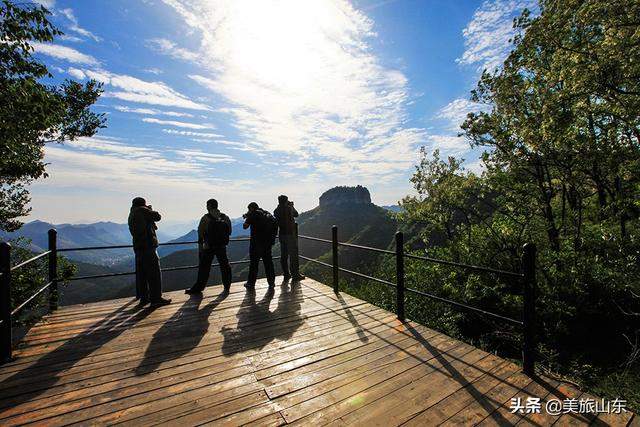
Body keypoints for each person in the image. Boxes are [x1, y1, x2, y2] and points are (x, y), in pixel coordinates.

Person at [128, 197, 171, 307]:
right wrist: (149, 209)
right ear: (143, 204)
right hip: (148, 247)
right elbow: (158, 217)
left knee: (142, 275)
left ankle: (144, 298)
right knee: (154, 274)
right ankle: (156, 298)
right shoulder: (142, 210)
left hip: (138, 248)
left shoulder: (132, 213)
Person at [186, 199, 232, 295]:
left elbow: (200, 233)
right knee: (225, 266)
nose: (206, 207)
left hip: (209, 246)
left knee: (204, 268)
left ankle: (198, 288)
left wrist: (201, 248)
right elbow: (229, 232)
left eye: (207, 205)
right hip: (222, 246)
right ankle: (227, 286)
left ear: (210, 206)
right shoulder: (225, 217)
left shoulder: (205, 218)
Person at [243, 202, 277, 290]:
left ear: (251, 208)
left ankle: (251, 283)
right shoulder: (267, 214)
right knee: (268, 263)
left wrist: (247, 217)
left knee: (254, 264)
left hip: (256, 244)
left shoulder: (252, 214)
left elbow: (245, 226)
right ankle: (271, 283)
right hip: (267, 243)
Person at [274, 195, 305, 281]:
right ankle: (295, 275)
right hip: (290, 234)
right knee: (293, 255)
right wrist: (292, 206)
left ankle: (286, 274)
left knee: (284, 255)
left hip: (281, 235)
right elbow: (296, 214)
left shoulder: (276, 210)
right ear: (286, 201)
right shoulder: (288, 208)